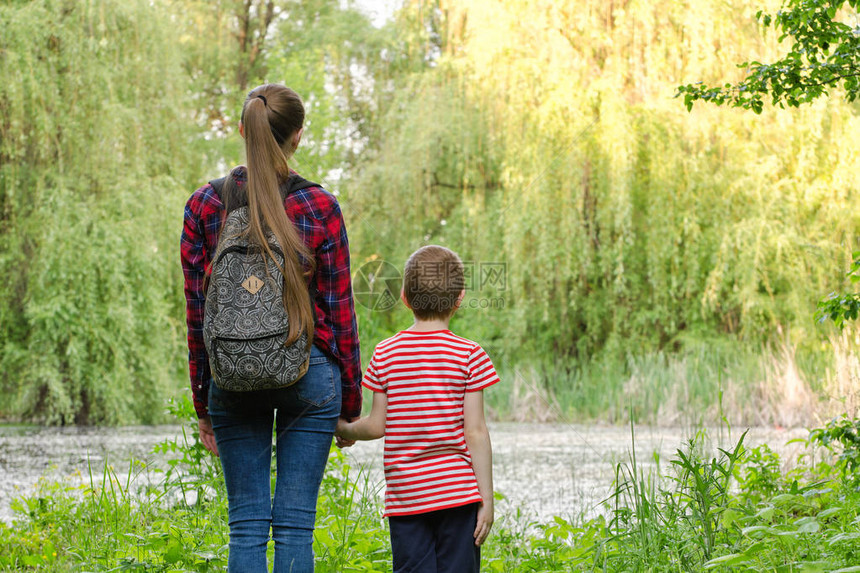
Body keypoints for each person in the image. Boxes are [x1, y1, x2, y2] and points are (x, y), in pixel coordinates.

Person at [180, 83, 361, 573]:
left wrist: (204, 402)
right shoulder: (320, 207)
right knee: (296, 525)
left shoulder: (204, 205)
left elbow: (199, 314)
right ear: (298, 137)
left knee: (246, 525)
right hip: (310, 376)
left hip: (232, 379)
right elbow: (340, 313)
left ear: (243, 131)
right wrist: (350, 403)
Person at [336, 245, 498, 573]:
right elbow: (476, 431)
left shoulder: (386, 354)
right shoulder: (470, 355)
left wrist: (345, 429)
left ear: (405, 297)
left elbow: (377, 425)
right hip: (459, 495)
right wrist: (487, 500)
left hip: (407, 497)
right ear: (460, 298)